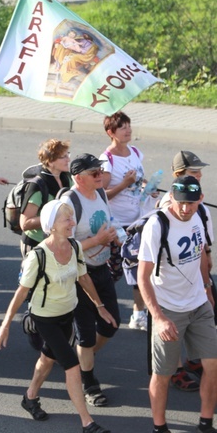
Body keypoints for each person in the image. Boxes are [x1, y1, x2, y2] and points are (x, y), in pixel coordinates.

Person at [0, 200, 115, 433]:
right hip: (44, 319)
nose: (72, 222)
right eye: (66, 219)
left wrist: (100, 306)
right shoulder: (38, 256)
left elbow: (83, 277)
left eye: (72, 218)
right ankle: (87, 422)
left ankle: (29, 398)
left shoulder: (75, 247)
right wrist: (4, 325)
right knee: (71, 366)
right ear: (51, 226)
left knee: (47, 359)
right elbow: (21, 293)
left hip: (66, 314)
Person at [137, 176, 217, 433]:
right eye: (181, 203)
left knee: (213, 364)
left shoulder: (200, 215)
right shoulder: (157, 224)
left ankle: (206, 423)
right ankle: (159, 427)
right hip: (168, 309)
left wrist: (206, 287)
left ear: (200, 200)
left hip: (198, 304)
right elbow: (143, 276)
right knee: (163, 374)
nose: (186, 208)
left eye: (191, 203)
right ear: (171, 197)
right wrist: (158, 317)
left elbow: (202, 254)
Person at [60, 154, 121, 407]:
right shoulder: (69, 202)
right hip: (78, 276)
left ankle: (81, 358)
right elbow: (63, 245)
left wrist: (115, 235)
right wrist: (97, 240)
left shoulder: (101, 194)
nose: (101, 176)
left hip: (101, 269)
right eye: (95, 173)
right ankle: (89, 382)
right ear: (78, 177)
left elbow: (107, 222)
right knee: (85, 335)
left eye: (101, 171)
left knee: (112, 324)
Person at [158, 151, 213, 392]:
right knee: (171, 330)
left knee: (199, 315)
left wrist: (207, 264)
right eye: (193, 171)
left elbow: (201, 238)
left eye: (199, 171)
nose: (199, 174)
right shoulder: (169, 208)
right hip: (170, 285)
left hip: (195, 271)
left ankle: (194, 357)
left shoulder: (196, 200)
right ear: (179, 175)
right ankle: (175, 369)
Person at [99, 111, 148, 331]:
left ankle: (138, 314)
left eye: (129, 125)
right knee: (115, 271)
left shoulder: (135, 152)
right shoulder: (107, 160)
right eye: (122, 127)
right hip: (117, 225)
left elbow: (140, 179)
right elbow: (102, 194)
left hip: (138, 220)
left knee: (140, 268)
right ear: (111, 133)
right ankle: (94, 305)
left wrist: (148, 187)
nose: (128, 130)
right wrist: (125, 183)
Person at [20, 139, 73, 259]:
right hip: (36, 244)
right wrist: (53, 216)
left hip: (57, 241)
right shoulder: (38, 185)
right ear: (50, 162)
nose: (68, 159)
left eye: (68, 155)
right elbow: (25, 223)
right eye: (63, 157)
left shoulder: (66, 178)